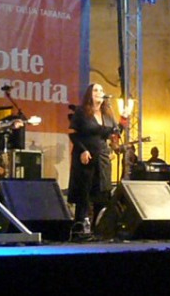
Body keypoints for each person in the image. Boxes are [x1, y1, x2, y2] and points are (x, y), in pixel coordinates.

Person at [68, 83, 123, 230]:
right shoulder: (81, 112)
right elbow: (73, 134)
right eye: (96, 90)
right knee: (84, 195)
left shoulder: (107, 114)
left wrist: (123, 118)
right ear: (89, 94)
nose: (99, 92)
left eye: (101, 90)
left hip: (102, 158)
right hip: (86, 157)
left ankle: (98, 229)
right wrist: (82, 150)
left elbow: (115, 133)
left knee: (102, 194)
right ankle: (80, 229)